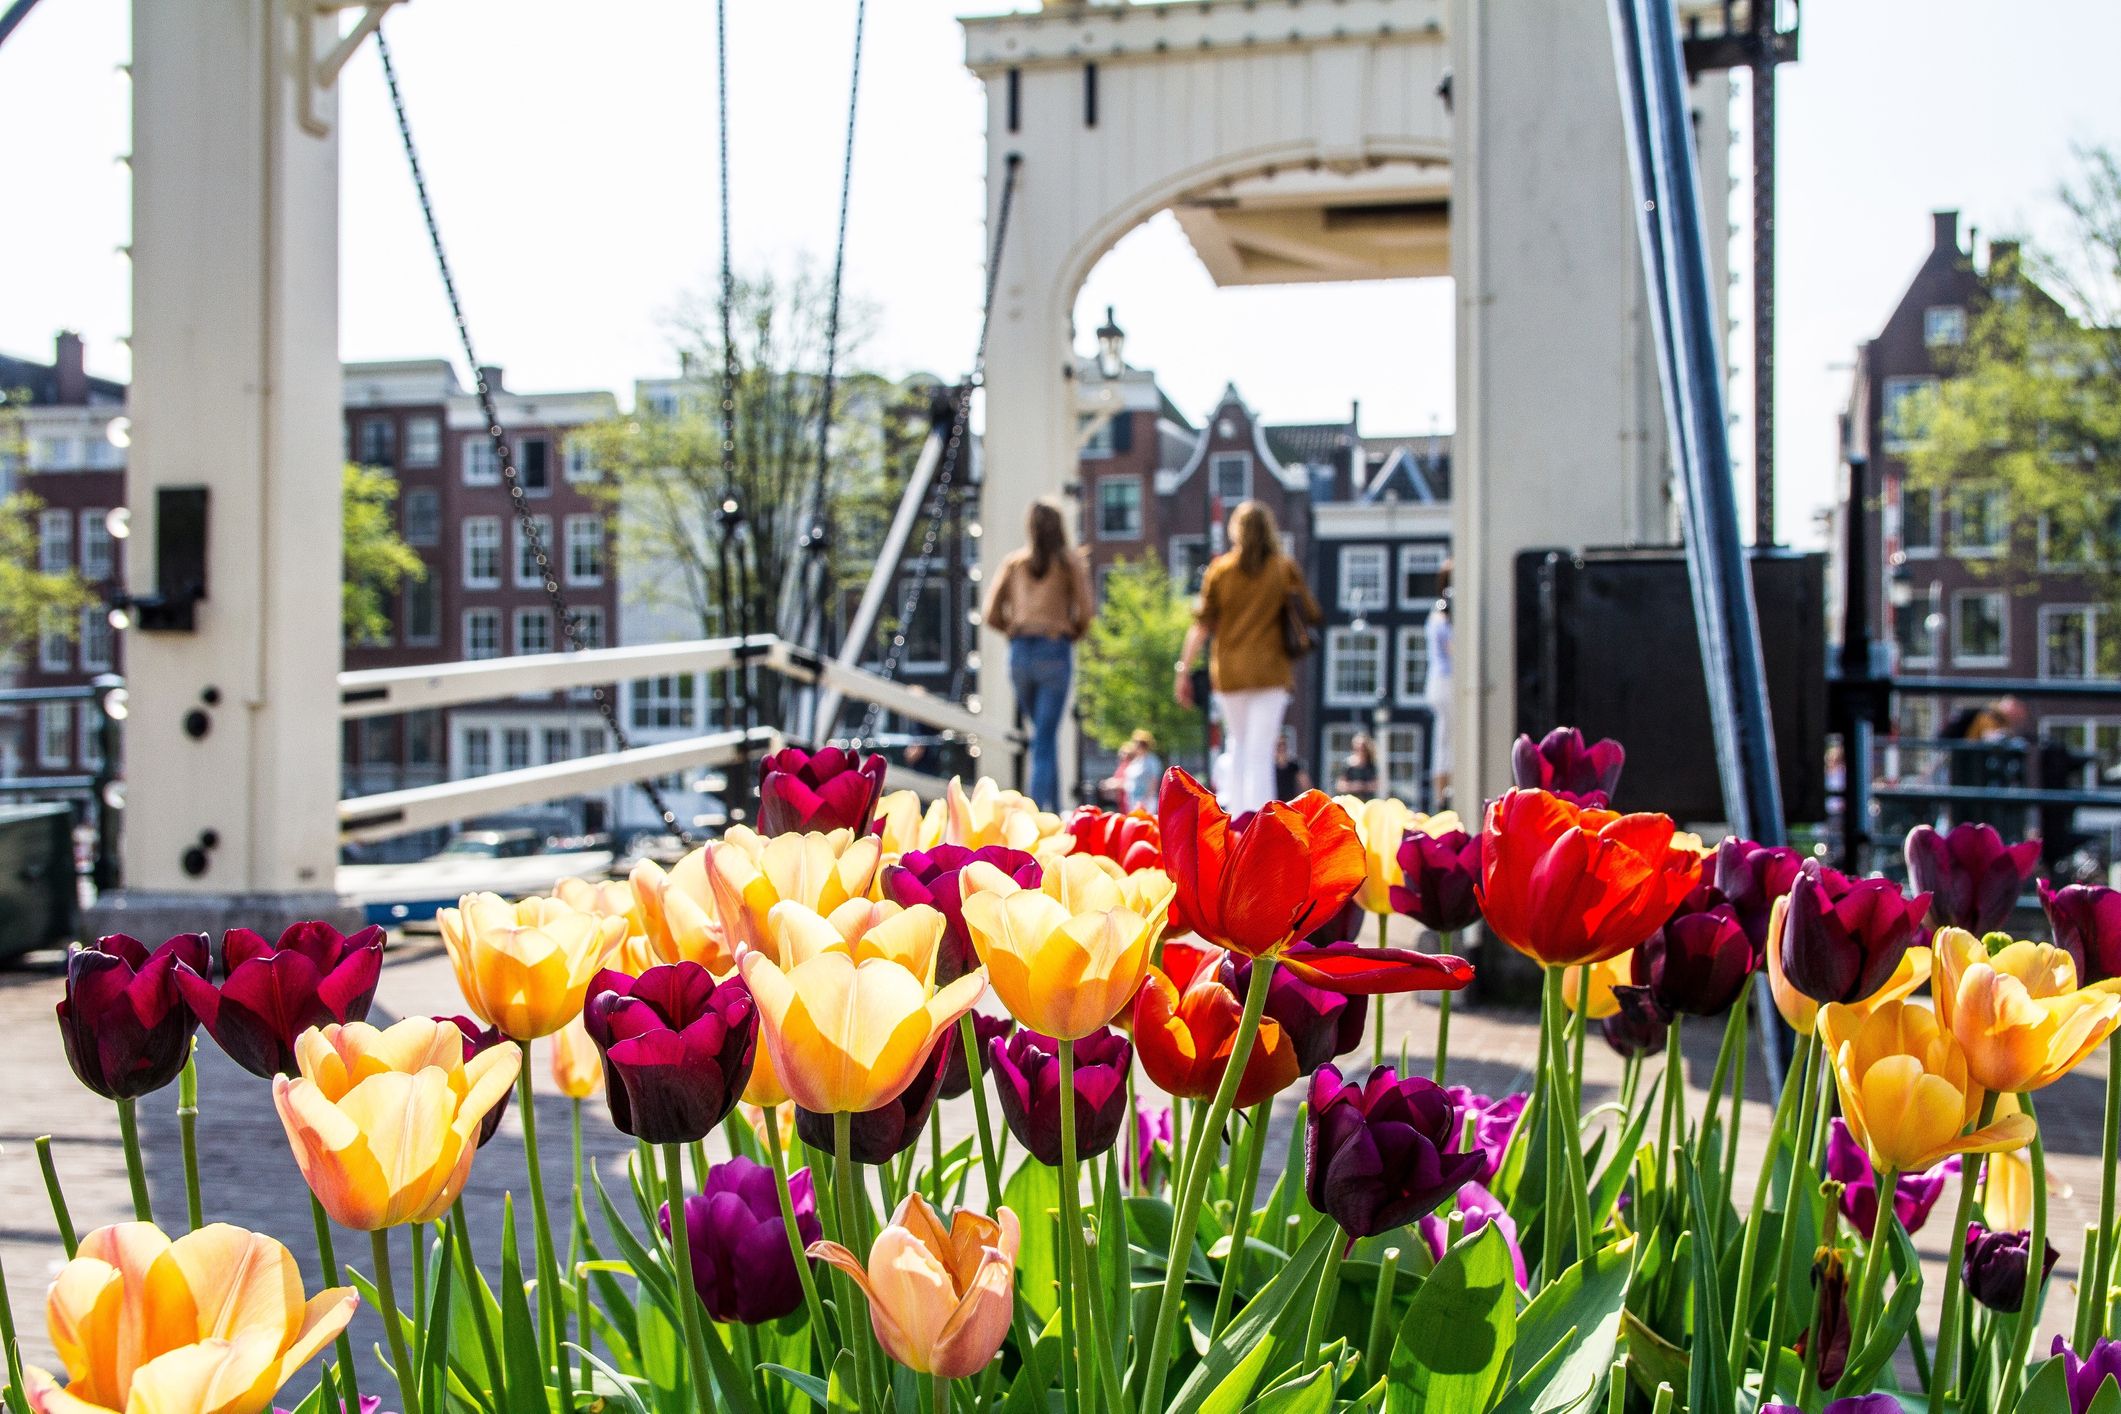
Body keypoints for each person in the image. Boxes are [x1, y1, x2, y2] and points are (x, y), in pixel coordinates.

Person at [1173, 499, 1323, 814]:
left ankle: (1238, 820)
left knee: (1237, 746)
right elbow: (1310, 612)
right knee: (1261, 752)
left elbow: (1200, 627)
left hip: (1230, 673)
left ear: (1235, 531)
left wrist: (1183, 671)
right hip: (1271, 671)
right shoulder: (1283, 568)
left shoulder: (1221, 571)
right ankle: (1261, 824)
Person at [983, 499, 1093, 812]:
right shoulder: (1070, 564)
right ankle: (1034, 816)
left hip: (1020, 653)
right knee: (1044, 739)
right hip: (1054, 650)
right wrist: (1073, 632)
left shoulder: (1014, 563)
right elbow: (1086, 611)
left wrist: (1014, 629)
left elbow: (991, 613)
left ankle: (1055, 811)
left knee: (1043, 737)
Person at [1424, 559, 1454, 808]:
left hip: (1439, 679)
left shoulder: (1436, 612)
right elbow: (1453, 649)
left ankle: (1441, 796)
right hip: (1446, 679)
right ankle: (1443, 797)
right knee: (1448, 740)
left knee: (1443, 739)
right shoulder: (1443, 614)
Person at [1120, 729, 1162, 813]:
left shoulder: (1151, 761)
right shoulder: (1136, 760)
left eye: (1135, 744)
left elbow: (1153, 780)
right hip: (1133, 800)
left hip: (1145, 801)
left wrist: (1147, 799)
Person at [1334, 732, 1380, 799]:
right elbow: (1339, 786)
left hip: (1366, 800)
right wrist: (1353, 786)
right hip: (1350, 801)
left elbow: (1376, 785)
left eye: (1363, 749)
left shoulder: (1371, 765)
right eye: (1357, 748)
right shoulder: (1347, 764)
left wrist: (1363, 786)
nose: (1360, 750)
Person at [1273, 735, 1311, 800]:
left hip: (1289, 803)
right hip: (1272, 802)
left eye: (1283, 745)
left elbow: (1306, 786)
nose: (1281, 748)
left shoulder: (1294, 766)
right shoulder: (1270, 768)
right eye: (1279, 745)